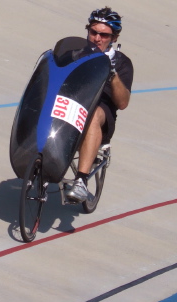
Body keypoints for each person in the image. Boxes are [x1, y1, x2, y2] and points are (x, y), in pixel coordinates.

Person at [67, 7, 134, 202]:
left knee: (93, 114)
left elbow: (122, 103)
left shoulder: (122, 63)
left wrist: (112, 74)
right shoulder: (75, 53)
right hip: (71, 104)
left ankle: (80, 181)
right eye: (93, 32)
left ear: (114, 37)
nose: (97, 38)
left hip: (101, 111)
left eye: (104, 35)